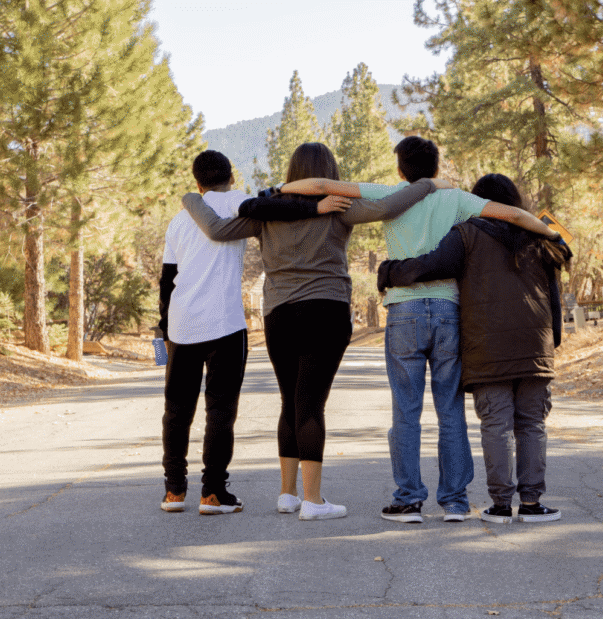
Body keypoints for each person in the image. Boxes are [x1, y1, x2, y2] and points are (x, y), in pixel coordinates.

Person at [278, 137, 559, 524]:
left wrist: (280, 190)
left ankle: (408, 501)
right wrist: (551, 235)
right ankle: (455, 502)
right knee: (450, 411)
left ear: (400, 170)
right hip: (448, 311)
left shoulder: (391, 194)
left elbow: (321, 186)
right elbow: (512, 215)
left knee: (406, 412)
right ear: (437, 167)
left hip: (404, 312)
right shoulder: (458, 198)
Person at [182, 142, 443, 521]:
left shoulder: (268, 211)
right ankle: (314, 500)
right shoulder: (338, 205)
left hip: (279, 314)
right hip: (326, 310)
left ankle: (288, 494)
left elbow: (217, 229)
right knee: (311, 404)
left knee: (291, 401)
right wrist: (428, 185)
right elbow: (388, 205)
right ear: (328, 173)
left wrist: (193, 197)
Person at [158, 150, 345, 514]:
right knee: (220, 410)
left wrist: (163, 331)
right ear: (232, 175)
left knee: (176, 410)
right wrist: (317, 208)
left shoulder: (180, 220)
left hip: (180, 325)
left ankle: (174, 491)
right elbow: (280, 209)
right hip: (224, 324)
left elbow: (166, 281)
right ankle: (212, 493)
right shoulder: (239, 200)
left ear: (197, 182)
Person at [377, 174, 572, 524]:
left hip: (487, 348)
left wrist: (389, 271)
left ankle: (499, 506)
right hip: (535, 347)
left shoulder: (467, 235)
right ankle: (531, 504)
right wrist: (552, 339)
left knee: (495, 425)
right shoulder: (541, 235)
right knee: (532, 424)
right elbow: (556, 286)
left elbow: (429, 265)